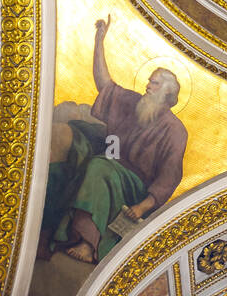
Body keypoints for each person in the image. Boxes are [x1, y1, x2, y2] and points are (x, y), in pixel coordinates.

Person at [39, 16, 186, 264]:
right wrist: (99, 40)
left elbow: (168, 178)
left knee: (98, 166)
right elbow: (103, 83)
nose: (148, 85)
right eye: (150, 80)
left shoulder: (175, 131)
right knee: (71, 140)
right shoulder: (133, 102)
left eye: (155, 83)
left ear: (167, 93)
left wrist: (142, 207)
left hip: (134, 185)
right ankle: (39, 217)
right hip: (108, 157)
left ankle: (87, 242)